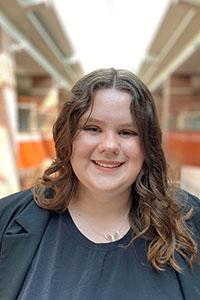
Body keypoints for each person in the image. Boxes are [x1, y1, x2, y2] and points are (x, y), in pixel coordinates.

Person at [0, 68, 200, 300]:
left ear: (147, 145)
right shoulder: (6, 221)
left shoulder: (192, 223)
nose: (109, 146)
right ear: (68, 137)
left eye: (127, 132)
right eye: (92, 128)